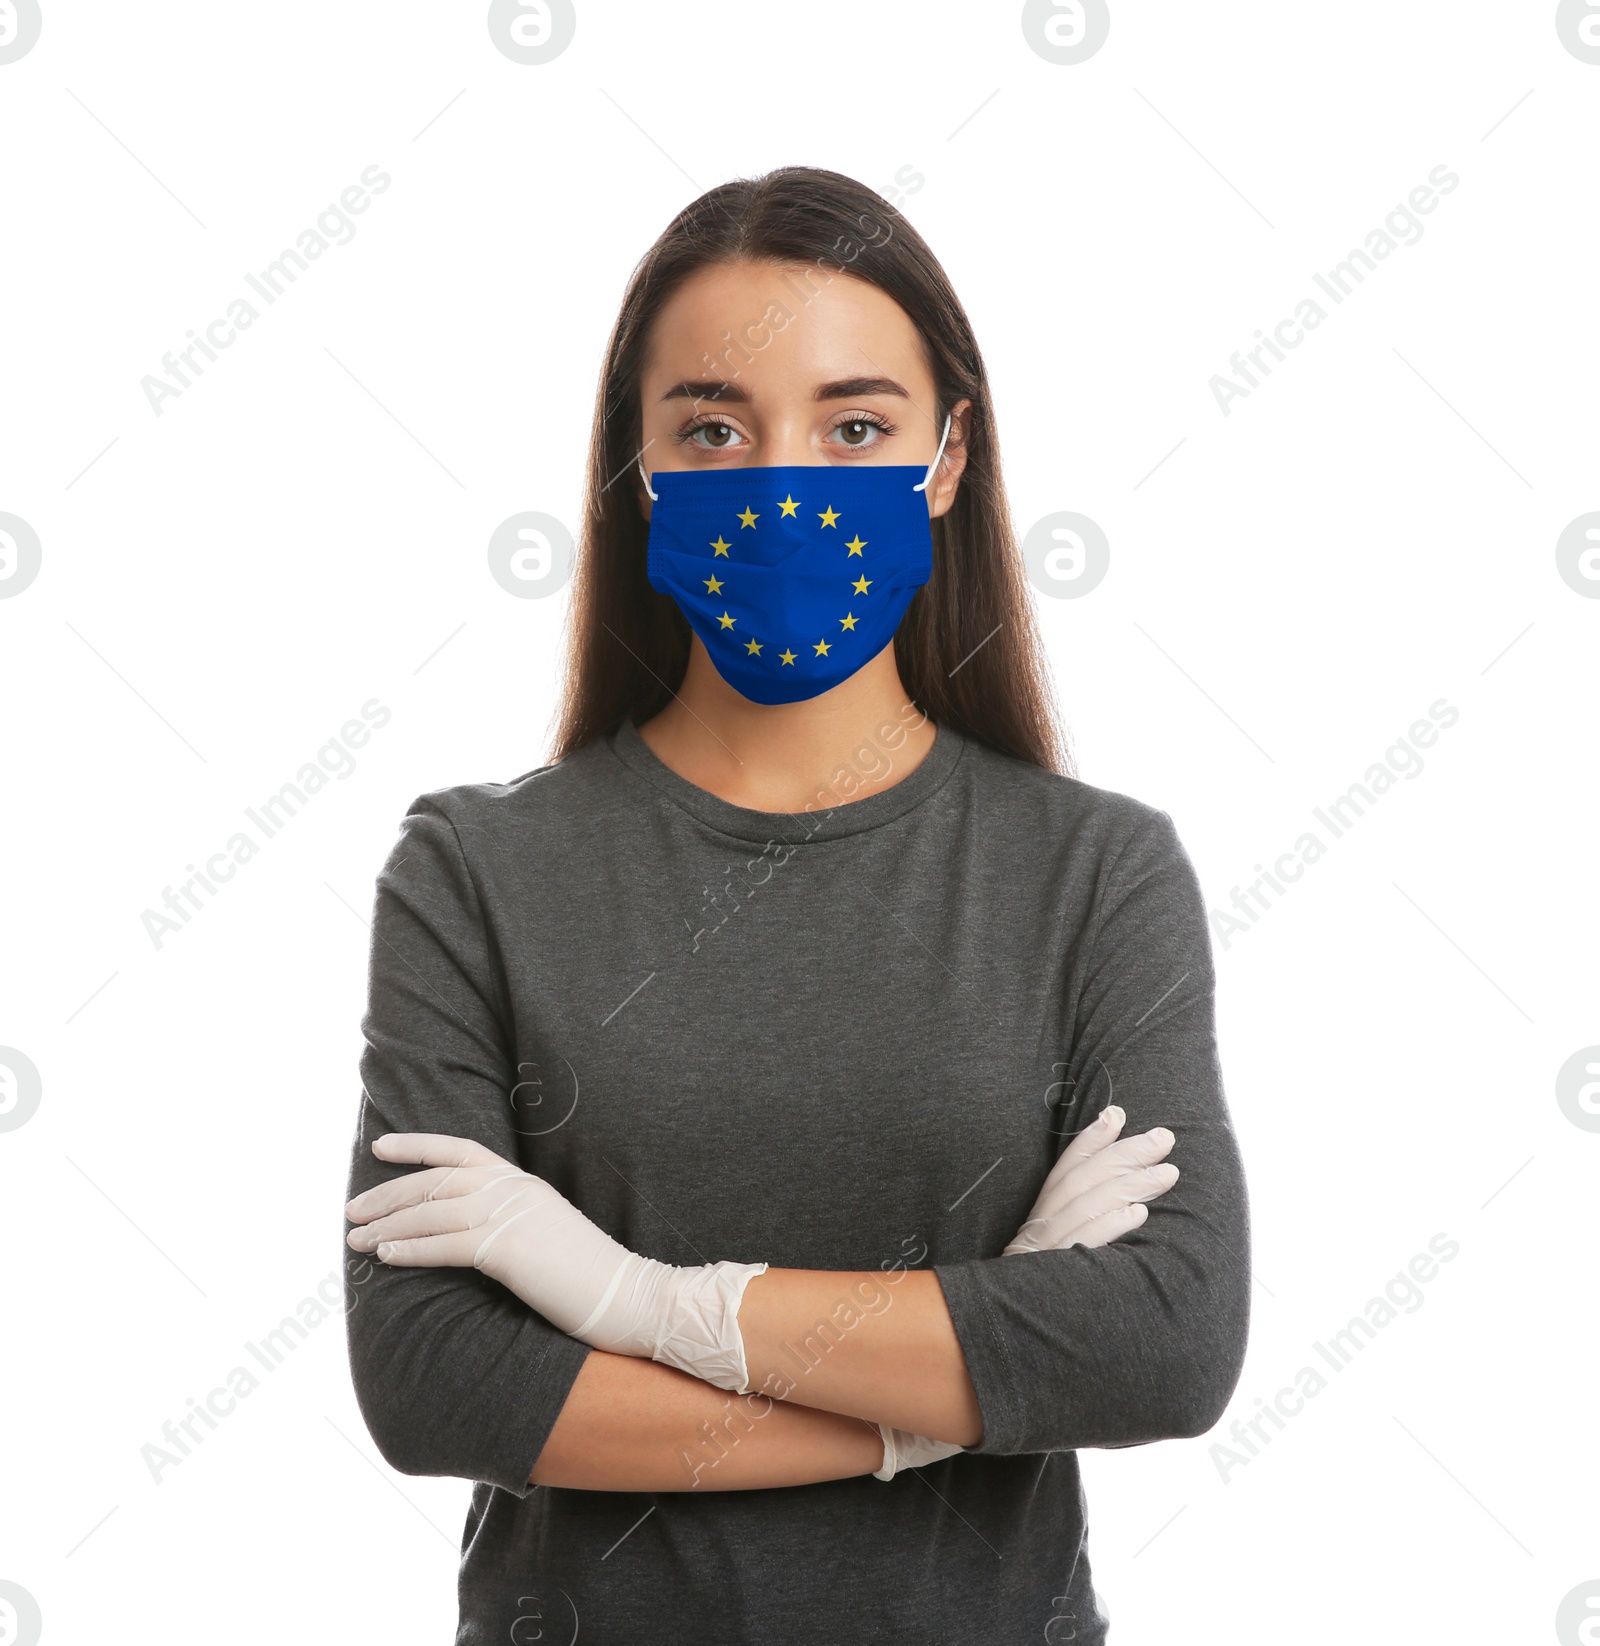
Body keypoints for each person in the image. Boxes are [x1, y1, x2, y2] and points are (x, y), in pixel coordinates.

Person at [341, 165, 1251, 1644]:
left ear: (947, 458)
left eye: (856, 426)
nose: (781, 479)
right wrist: (947, 1391)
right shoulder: (474, 871)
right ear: (635, 464)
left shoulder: (1095, 873)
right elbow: (440, 1380)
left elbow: (1161, 1345)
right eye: (712, 427)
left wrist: (630, 1297)